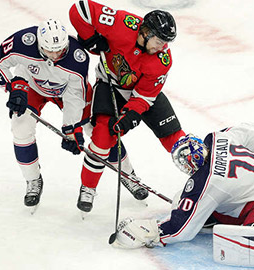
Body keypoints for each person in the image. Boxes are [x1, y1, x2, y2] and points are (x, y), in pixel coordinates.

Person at [111, 123, 254, 267]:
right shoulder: (219, 137)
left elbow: (181, 230)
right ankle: (212, 217)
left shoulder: (206, 184)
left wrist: (152, 233)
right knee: (187, 202)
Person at [69, 0, 186, 212]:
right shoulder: (122, 23)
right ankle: (88, 188)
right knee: (102, 137)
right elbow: (81, 9)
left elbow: (144, 97)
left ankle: (205, 183)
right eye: (159, 41)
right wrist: (90, 39)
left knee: (177, 141)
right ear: (146, 32)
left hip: (142, 94)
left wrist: (129, 116)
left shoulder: (162, 59)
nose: (163, 47)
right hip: (110, 84)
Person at [0, 19, 92, 210]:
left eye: (60, 50)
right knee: (20, 128)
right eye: (50, 50)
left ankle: (129, 174)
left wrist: (70, 127)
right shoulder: (22, 41)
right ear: (39, 44)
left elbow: (75, 96)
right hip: (32, 85)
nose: (56, 55)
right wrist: (12, 85)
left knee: (96, 128)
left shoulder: (78, 57)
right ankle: (32, 179)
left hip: (64, 91)